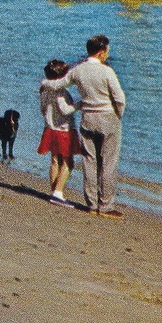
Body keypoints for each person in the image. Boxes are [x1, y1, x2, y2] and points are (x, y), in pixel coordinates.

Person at [43, 34, 126, 216]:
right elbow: (120, 98)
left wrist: (44, 82)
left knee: (89, 161)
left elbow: (58, 84)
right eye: (107, 50)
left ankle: (91, 204)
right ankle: (106, 206)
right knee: (108, 163)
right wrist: (117, 115)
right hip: (107, 118)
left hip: (87, 118)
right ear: (102, 51)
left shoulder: (77, 70)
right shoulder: (107, 72)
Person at [38, 59, 81, 206]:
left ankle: (54, 191)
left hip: (50, 128)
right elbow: (65, 110)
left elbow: (43, 109)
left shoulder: (44, 91)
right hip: (63, 130)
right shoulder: (61, 92)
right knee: (68, 162)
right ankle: (58, 192)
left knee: (55, 160)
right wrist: (78, 105)